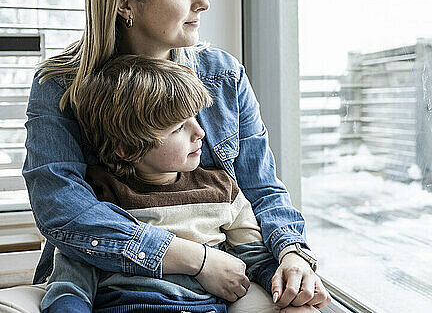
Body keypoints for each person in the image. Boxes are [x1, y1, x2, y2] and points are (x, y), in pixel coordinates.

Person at [22, 0, 331, 311]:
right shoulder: (61, 84)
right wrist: (196, 259)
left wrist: (292, 254)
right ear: (124, 3)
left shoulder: (223, 76)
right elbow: (62, 208)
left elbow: (261, 188)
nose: (203, 2)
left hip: (220, 286)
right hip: (107, 281)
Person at [41, 55, 309, 313]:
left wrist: (289, 279)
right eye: (178, 127)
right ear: (125, 147)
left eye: (195, 117)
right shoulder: (99, 196)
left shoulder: (222, 190)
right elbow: (71, 281)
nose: (200, 132)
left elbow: (254, 257)